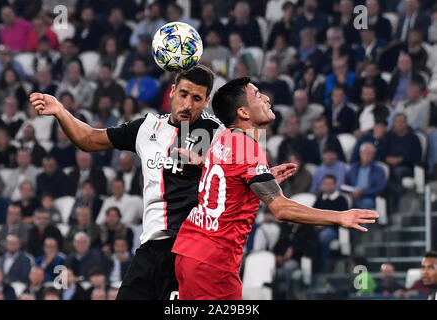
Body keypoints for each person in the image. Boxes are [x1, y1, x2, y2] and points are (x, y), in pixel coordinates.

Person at [30, 65, 291, 300]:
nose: (188, 104)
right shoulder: (147, 127)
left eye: (197, 98)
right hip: (149, 249)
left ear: (207, 101)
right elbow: (89, 139)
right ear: (172, 92)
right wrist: (60, 112)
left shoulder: (220, 134)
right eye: (184, 94)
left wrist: (258, 175)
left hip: (187, 250)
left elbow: (239, 174)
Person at [172, 77, 378, 300]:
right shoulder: (247, 148)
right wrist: (339, 217)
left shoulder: (223, 138)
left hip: (189, 251)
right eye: (258, 95)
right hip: (213, 263)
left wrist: (264, 177)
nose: (267, 99)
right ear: (243, 112)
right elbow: (281, 209)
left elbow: (223, 175)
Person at [313, 174, 349, 273]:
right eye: (325, 183)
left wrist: (325, 224)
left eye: (330, 184)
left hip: (334, 229)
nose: (327, 186)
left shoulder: (341, 200)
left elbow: (344, 219)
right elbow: (312, 214)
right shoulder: (319, 199)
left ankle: (323, 268)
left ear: (335, 185)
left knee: (324, 237)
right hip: (317, 227)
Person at [345, 143, 387, 209]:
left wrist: (363, 192)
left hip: (368, 197)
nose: (367, 155)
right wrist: (351, 192)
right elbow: (347, 183)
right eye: (365, 152)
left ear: (373, 155)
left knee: (366, 204)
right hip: (352, 196)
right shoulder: (353, 168)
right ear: (360, 153)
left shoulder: (378, 170)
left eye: (370, 153)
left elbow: (381, 187)